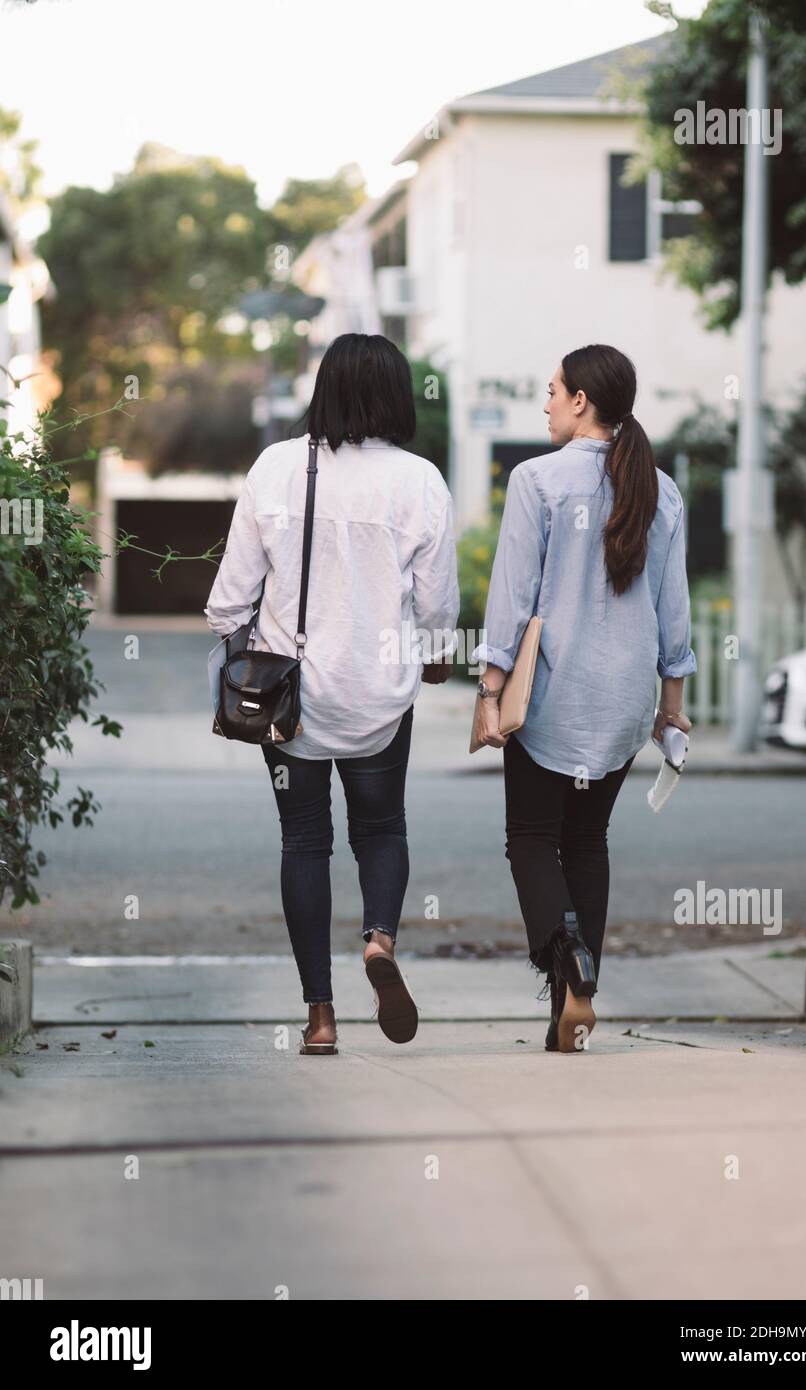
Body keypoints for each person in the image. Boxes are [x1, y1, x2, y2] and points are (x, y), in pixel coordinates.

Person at [205, 333, 459, 1054]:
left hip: (290, 704)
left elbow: (231, 599)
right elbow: (437, 606)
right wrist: (436, 657)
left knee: (303, 842)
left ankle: (319, 1017)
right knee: (381, 828)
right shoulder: (421, 481)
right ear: (398, 396)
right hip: (379, 695)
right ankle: (379, 938)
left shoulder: (277, 467)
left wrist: (242, 642)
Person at [471, 343, 695, 1053]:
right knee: (587, 841)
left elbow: (512, 596)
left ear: (580, 402)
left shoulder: (537, 480)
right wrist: (672, 704)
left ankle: (565, 958)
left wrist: (490, 686)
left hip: (550, 693)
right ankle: (576, 1001)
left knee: (531, 839)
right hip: (625, 696)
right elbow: (674, 611)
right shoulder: (662, 491)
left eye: (552, 391)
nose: (545, 403)